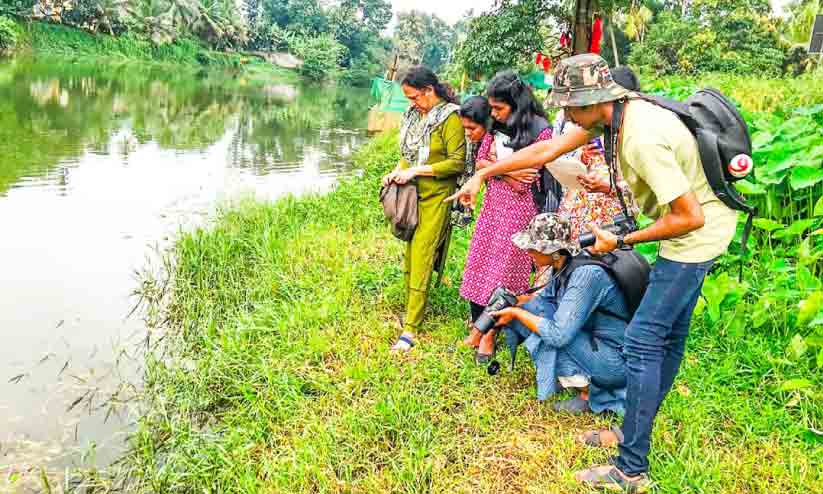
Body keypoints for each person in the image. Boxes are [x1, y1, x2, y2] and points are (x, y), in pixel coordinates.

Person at [447, 54, 736, 492]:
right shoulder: (614, 115)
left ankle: (631, 468)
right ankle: (630, 435)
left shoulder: (640, 136)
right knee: (667, 339)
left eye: (568, 107)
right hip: (692, 229)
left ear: (591, 100)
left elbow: (689, 217)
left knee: (643, 342)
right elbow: (546, 150)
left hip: (696, 238)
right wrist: (485, 173)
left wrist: (620, 241)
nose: (563, 116)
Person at [491, 213, 629, 415]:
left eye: (533, 246)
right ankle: (575, 380)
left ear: (554, 251)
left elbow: (558, 334)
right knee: (533, 315)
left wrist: (515, 313)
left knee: (549, 334)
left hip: (616, 361)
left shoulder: (586, 275)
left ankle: (590, 394)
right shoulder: (563, 264)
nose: (528, 250)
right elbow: (542, 302)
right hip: (595, 341)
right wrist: (515, 302)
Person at [459, 72, 551, 363]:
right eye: (492, 108)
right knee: (482, 261)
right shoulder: (495, 125)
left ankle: (490, 334)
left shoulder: (541, 130)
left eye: (499, 108)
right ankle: (477, 326)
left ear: (517, 103)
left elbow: (528, 179)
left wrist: (497, 169)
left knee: (506, 271)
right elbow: (481, 160)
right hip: (494, 207)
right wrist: (507, 171)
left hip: (521, 210)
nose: (494, 114)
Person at [382, 66, 466, 353]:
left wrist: (417, 171)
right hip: (411, 194)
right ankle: (409, 309)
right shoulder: (413, 114)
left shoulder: (450, 117)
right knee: (409, 253)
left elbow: (457, 162)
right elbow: (406, 156)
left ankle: (411, 328)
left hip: (437, 197)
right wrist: (396, 171)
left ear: (429, 91)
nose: (412, 103)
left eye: (414, 97)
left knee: (422, 255)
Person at [553, 66, 640, 240]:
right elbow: (552, 149)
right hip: (580, 204)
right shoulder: (597, 124)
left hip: (613, 212)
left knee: (605, 258)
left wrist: (610, 186)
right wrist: (582, 154)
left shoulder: (636, 132)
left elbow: (642, 191)